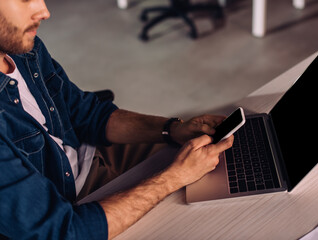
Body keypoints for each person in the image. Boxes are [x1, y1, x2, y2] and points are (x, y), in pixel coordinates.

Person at [0, 0, 234, 239]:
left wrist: (172, 129)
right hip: (76, 207)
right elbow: (64, 232)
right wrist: (173, 178)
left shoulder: (23, 49)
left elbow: (86, 113)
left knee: (222, 156)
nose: (45, 12)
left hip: (89, 155)